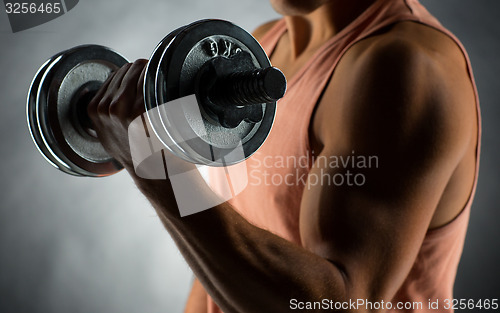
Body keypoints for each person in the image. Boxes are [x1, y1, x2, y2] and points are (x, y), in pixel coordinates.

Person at [87, 0, 480, 312]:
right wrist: (163, 170)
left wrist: (160, 170)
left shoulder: (406, 66)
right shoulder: (259, 49)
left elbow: (341, 305)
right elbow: (220, 251)